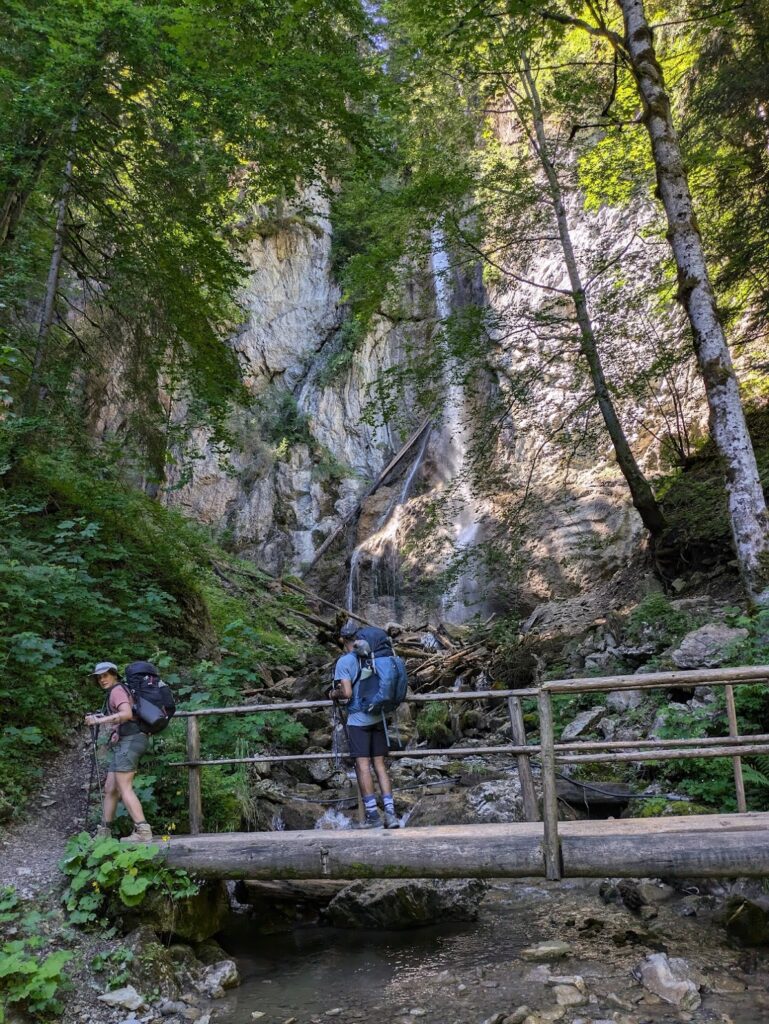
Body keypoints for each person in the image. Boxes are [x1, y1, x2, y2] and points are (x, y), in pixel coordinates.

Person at [330, 621, 400, 829]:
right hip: (377, 716)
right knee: (379, 766)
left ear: (343, 640)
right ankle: (391, 814)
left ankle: (372, 816)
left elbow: (347, 694)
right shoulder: (373, 656)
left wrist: (333, 693)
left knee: (362, 766)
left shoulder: (345, 661)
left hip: (358, 720)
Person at [84, 662, 153, 843]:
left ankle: (143, 831)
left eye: (105, 675)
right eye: (99, 677)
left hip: (130, 741)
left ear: (114, 675)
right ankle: (104, 833)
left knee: (124, 787)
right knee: (110, 788)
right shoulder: (118, 691)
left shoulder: (117, 691)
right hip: (127, 740)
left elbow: (126, 713)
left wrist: (99, 721)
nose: (102, 680)